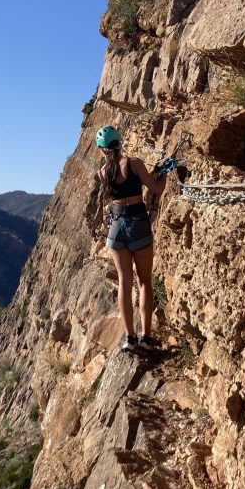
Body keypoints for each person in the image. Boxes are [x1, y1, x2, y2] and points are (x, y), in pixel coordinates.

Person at [95, 125, 166, 352]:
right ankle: (146, 337)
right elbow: (155, 188)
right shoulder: (134, 163)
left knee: (125, 282)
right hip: (137, 224)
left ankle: (130, 338)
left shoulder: (101, 173)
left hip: (116, 228)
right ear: (120, 141)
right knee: (144, 281)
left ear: (101, 150)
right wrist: (163, 173)